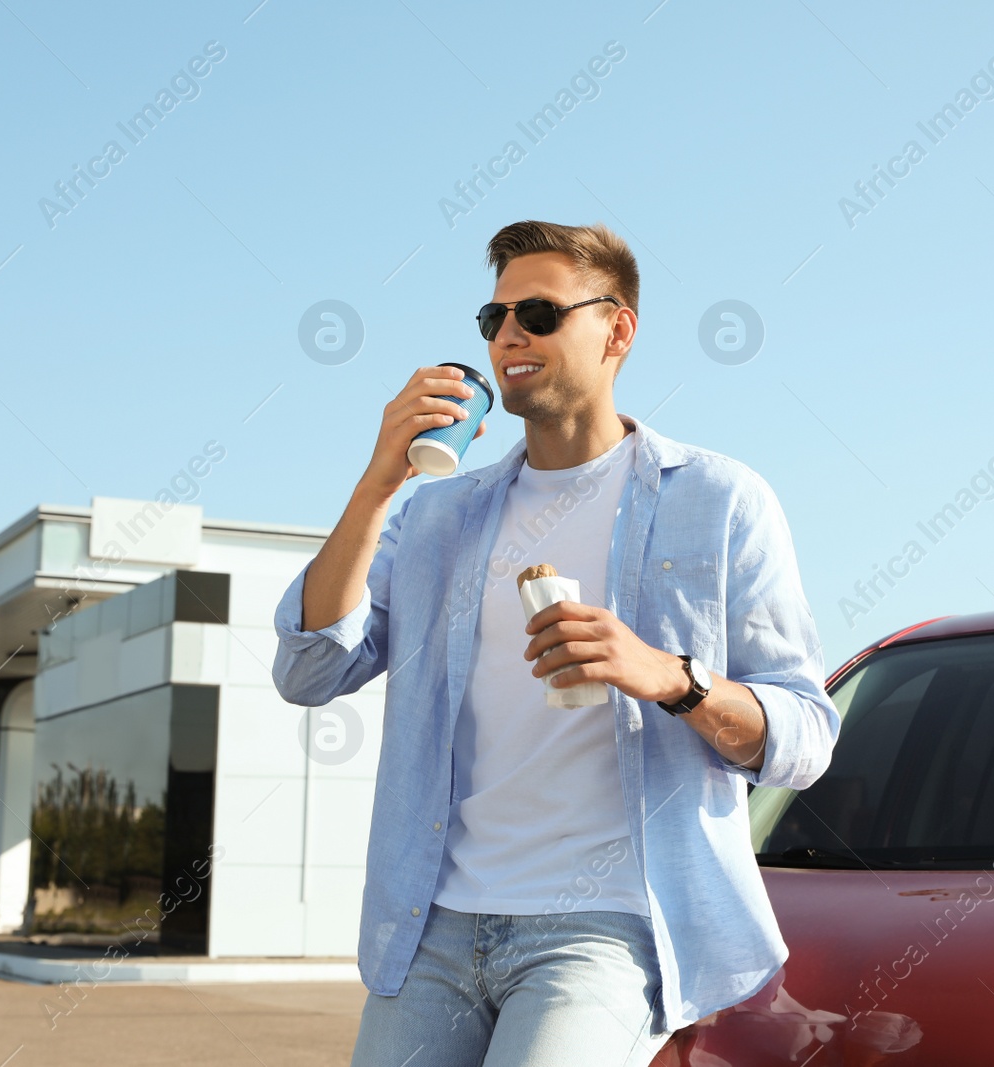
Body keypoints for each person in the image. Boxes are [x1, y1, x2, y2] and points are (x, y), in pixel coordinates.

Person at [273, 220, 840, 1066]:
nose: (509, 335)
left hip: (605, 926)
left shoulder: (719, 500)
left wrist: (669, 676)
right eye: (494, 318)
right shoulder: (437, 517)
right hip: (434, 925)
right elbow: (310, 667)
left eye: (538, 313)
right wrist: (376, 484)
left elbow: (805, 737)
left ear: (617, 330)